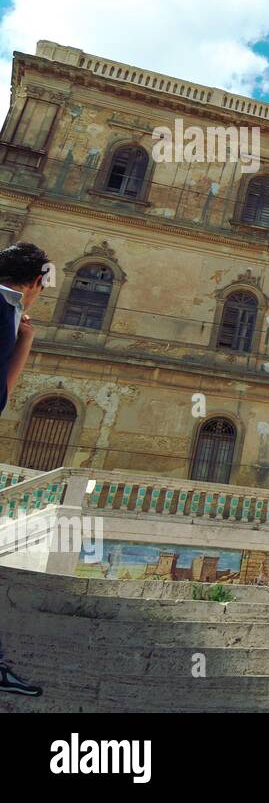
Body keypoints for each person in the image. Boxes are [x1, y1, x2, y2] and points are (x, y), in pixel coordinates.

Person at [0, 241, 49, 698]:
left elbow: (4, 388)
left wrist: (26, 341)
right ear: (36, 281)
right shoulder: (4, 304)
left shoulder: (13, 314)